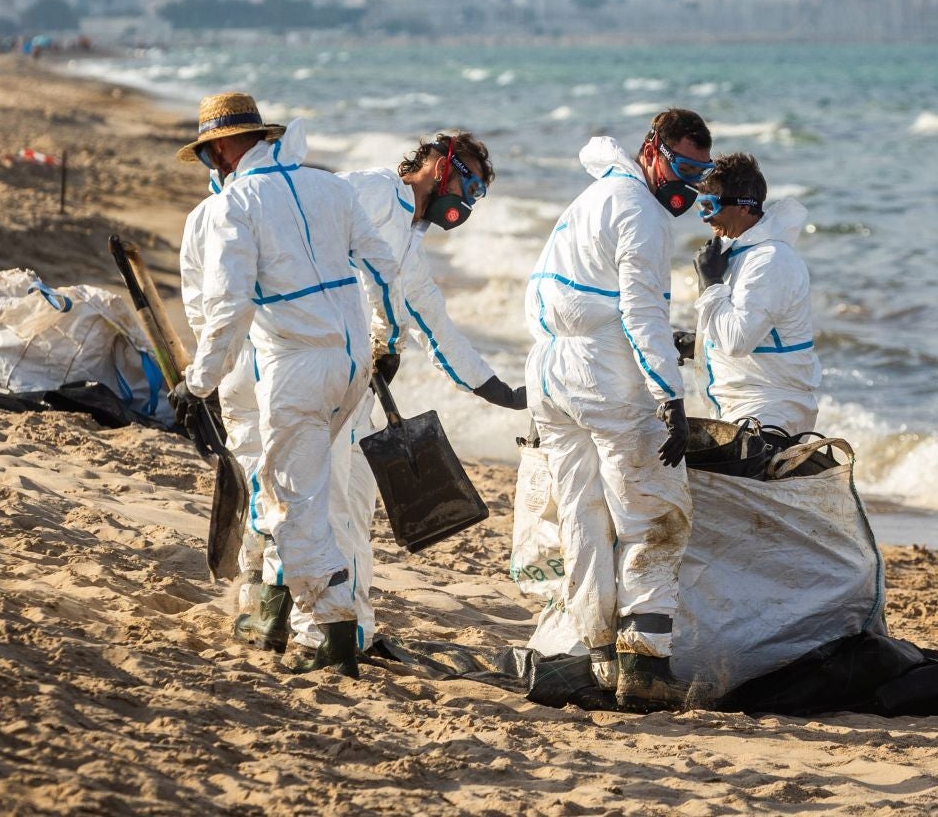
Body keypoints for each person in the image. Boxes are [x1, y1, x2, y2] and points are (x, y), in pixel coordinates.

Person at [274, 130, 528, 663]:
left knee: (356, 501)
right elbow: (298, 225)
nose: (470, 200)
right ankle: (314, 629)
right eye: (470, 184)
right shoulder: (366, 190)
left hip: (358, 384)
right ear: (440, 165)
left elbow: (432, 318)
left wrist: (501, 391)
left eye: (479, 193)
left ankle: (354, 627)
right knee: (322, 500)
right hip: (313, 364)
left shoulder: (412, 240)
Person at [174, 91, 403, 679]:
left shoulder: (234, 206)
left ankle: (335, 636)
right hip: (352, 365)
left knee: (291, 501)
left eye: (209, 156)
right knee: (293, 487)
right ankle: (275, 613)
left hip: (295, 367)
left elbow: (226, 311)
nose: (212, 167)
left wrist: (198, 383)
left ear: (223, 148)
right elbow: (381, 265)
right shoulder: (331, 187)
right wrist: (388, 339)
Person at [523, 108, 711, 710]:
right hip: (605, 374)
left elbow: (539, 289)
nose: (688, 183)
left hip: (550, 370)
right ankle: (645, 670)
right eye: (682, 167)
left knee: (582, 514)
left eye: (700, 175)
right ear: (652, 151)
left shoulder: (592, 197)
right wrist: (669, 395)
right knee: (654, 512)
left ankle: (588, 654)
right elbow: (641, 313)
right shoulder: (642, 212)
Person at [686, 153, 821, 429]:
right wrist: (697, 344)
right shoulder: (740, 254)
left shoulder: (770, 260)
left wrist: (709, 282)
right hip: (745, 408)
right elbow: (756, 334)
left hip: (770, 413)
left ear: (745, 208)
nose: (704, 218)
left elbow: (737, 340)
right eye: (699, 207)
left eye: (710, 207)